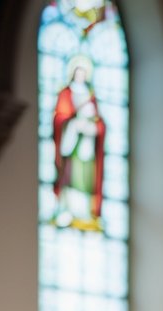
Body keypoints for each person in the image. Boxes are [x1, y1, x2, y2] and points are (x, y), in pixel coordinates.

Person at [53, 52, 106, 229]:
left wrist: (93, 128)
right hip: (71, 143)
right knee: (70, 174)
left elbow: (100, 124)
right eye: (78, 72)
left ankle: (84, 211)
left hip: (87, 146)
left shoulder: (91, 97)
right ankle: (67, 209)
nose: (81, 76)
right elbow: (60, 118)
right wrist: (73, 124)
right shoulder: (66, 94)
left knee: (85, 177)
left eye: (84, 73)